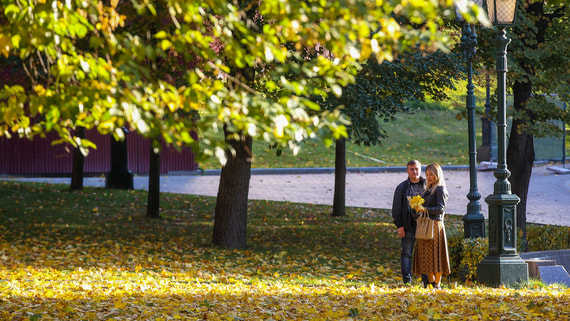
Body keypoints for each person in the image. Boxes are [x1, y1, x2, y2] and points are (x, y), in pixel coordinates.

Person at [413, 163, 451, 289]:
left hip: (435, 225)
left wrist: (424, 209)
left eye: (431, 174)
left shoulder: (440, 189)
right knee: (427, 255)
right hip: (426, 225)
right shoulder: (428, 189)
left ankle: (437, 284)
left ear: (437, 174)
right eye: (427, 175)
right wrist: (415, 205)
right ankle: (430, 282)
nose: (429, 177)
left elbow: (440, 209)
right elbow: (422, 204)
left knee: (436, 255)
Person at [391, 160, 427, 285]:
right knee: (406, 253)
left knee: (424, 253)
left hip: (425, 225)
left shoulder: (427, 185)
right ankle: (407, 280)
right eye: (411, 169)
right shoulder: (402, 187)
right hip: (408, 225)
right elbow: (396, 208)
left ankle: (426, 279)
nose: (414, 171)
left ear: (420, 169)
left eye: (416, 169)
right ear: (407, 171)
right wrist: (399, 225)